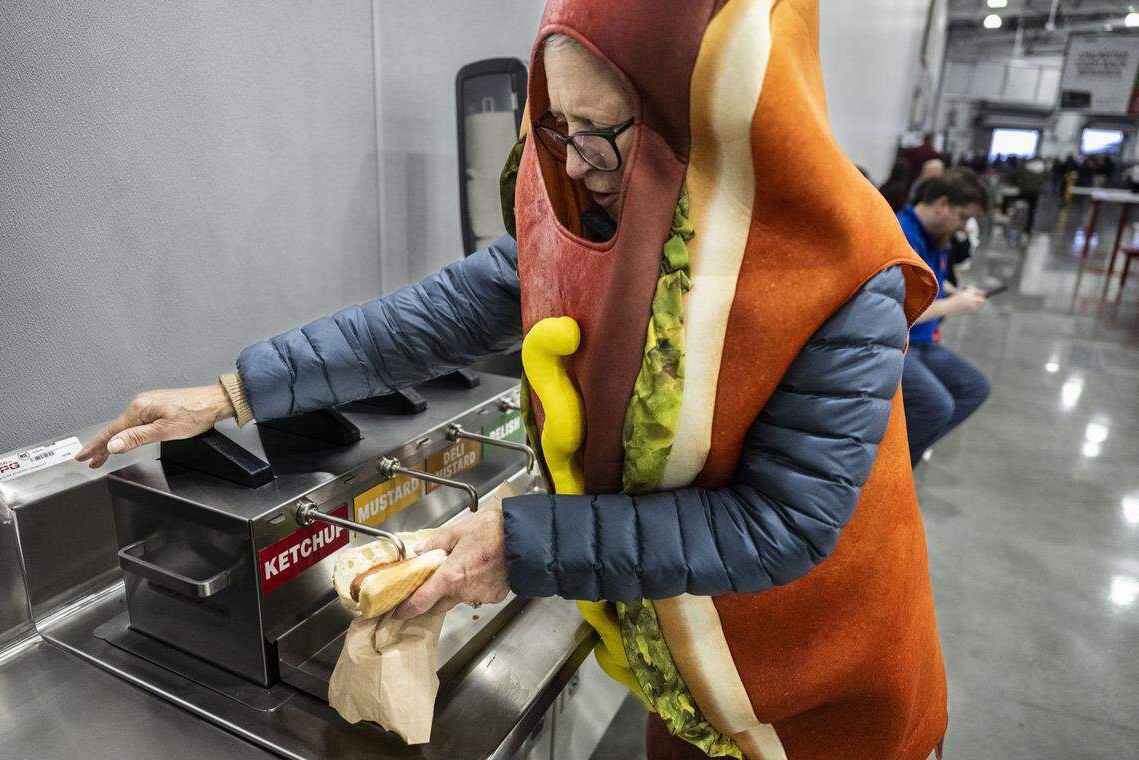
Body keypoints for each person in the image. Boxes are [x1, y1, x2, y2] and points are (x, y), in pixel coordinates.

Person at [77, 2, 948, 758]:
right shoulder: (597, 207)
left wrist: (523, 546)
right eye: (557, 128)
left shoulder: (843, 271)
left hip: (825, 700)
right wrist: (229, 395)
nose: (573, 165)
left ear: (703, 119)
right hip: (693, 687)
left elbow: (781, 523)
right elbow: (428, 320)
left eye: (605, 130)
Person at [897, 168, 991, 465]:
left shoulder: (935, 237)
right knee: (936, 405)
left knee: (975, 388)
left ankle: (906, 452)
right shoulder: (904, 237)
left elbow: (934, 281)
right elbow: (898, 314)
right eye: (963, 217)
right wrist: (953, 306)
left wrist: (954, 291)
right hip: (901, 344)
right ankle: (889, 472)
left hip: (924, 343)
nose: (963, 227)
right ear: (942, 205)